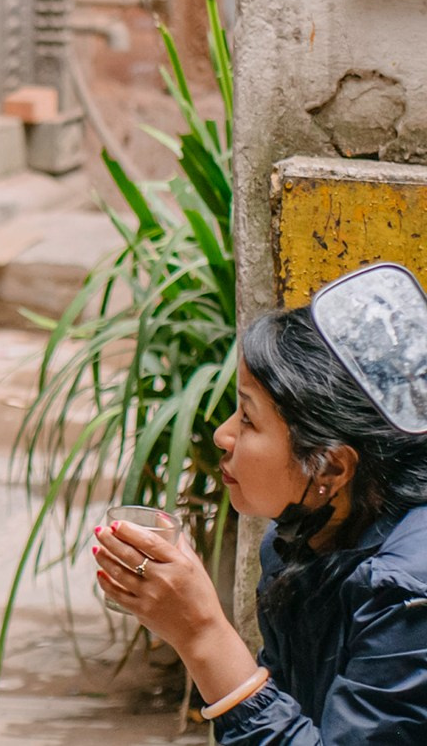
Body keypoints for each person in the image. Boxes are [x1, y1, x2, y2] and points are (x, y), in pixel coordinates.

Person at [94, 272, 427, 743]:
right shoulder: (306, 536)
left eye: (248, 419)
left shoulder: (410, 595)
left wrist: (203, 634)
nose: (221, 436)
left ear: (330, 470)